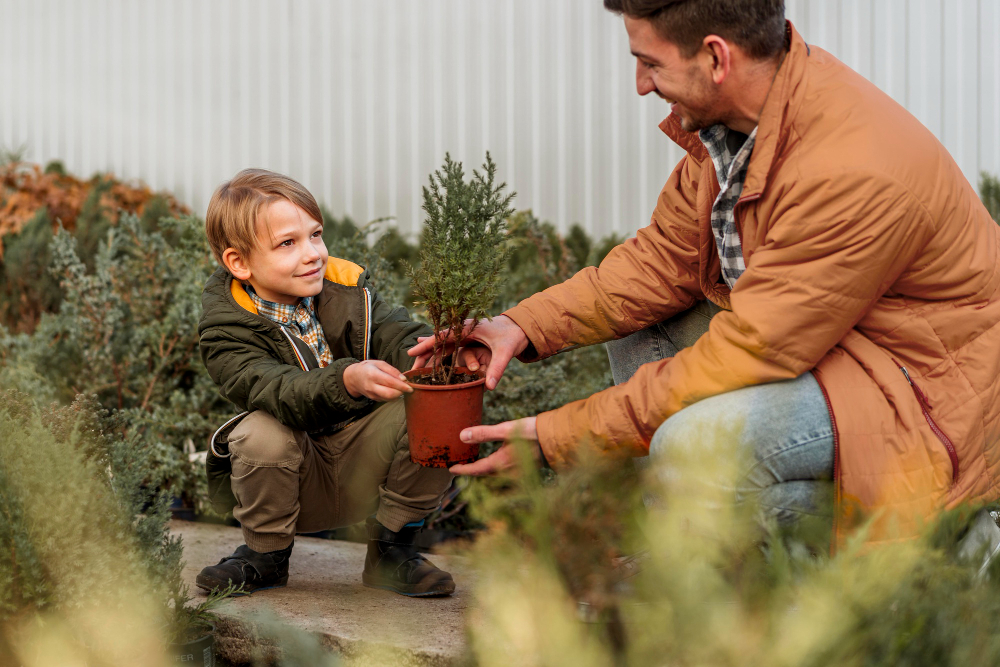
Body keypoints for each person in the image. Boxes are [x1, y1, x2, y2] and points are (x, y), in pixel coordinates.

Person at [410, 0, 1000, 545]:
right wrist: (520, 326)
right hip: (832, 346)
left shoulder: (849, 169)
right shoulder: (743, 127)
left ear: (717, 57)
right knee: (642, 337)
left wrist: (554, 438)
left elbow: (749, 350)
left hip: (916, 389)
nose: (641, 85)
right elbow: (664, 259)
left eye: (650, 64)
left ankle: (947, 542)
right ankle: (691, 544)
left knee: (691, 448)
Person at [197, 169, 455, 596]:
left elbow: (396, 334)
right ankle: (265, 556)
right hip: (294, 481)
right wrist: (347, 379)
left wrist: (438, 351)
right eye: (288, 243)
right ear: (239, 262)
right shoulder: (226, 328)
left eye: (315, 235)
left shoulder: (347, 288)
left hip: (366, 470)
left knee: (436, 406)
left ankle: (392, 551)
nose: (313, 253)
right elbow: (277, 390)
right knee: (260, 431)